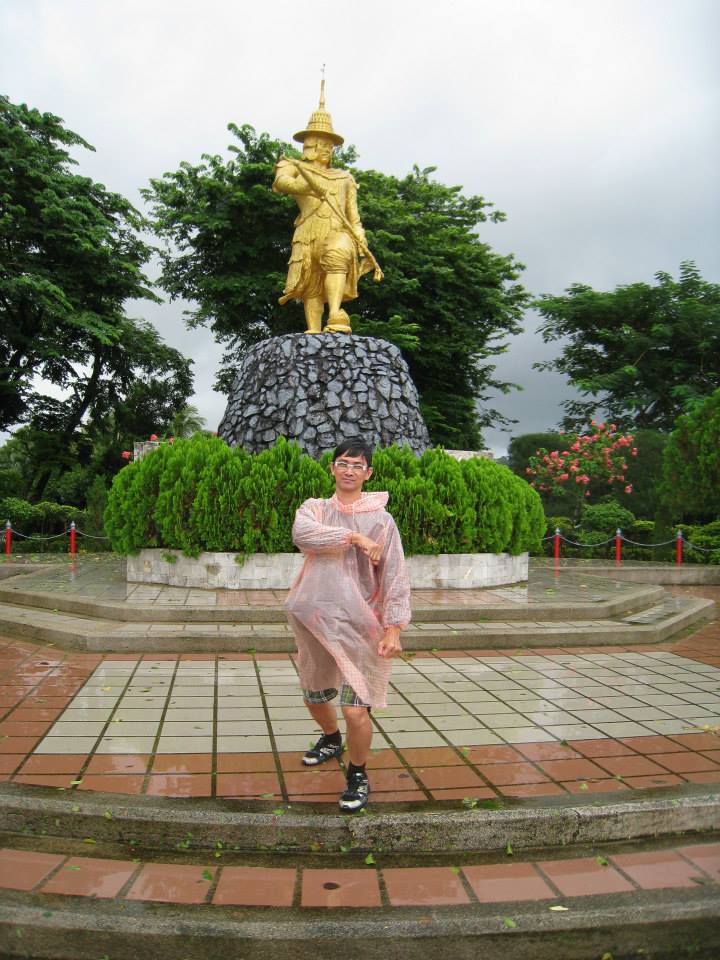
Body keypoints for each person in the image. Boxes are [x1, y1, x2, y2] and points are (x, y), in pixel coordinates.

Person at [285, 438, 411, 811]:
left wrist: (394, 627)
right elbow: (302, 535)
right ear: (332, 468)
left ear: (368, 473)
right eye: (343, 463)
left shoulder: (382, 520)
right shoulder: (315, 509)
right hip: (315, 619)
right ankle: (330, 738)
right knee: (314, 694)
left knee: (356, 708)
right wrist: (353, 537)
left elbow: (395, 574)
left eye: (357, 465)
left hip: (361, 623)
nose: (349, 470)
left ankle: (357, 773)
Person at [272, 82, 380, 335]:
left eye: (329, 145)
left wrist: (359, 234)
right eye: (321, 143)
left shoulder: (344, 178)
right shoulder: (293, 166)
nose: (326, 149)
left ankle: (335, 313)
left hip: (337, 230)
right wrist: (309, 187)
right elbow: (282, 183)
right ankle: (313, 329)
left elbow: (353, 216)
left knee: (337, 256)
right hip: (309, 230)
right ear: (309, 145)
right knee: (312, 282)